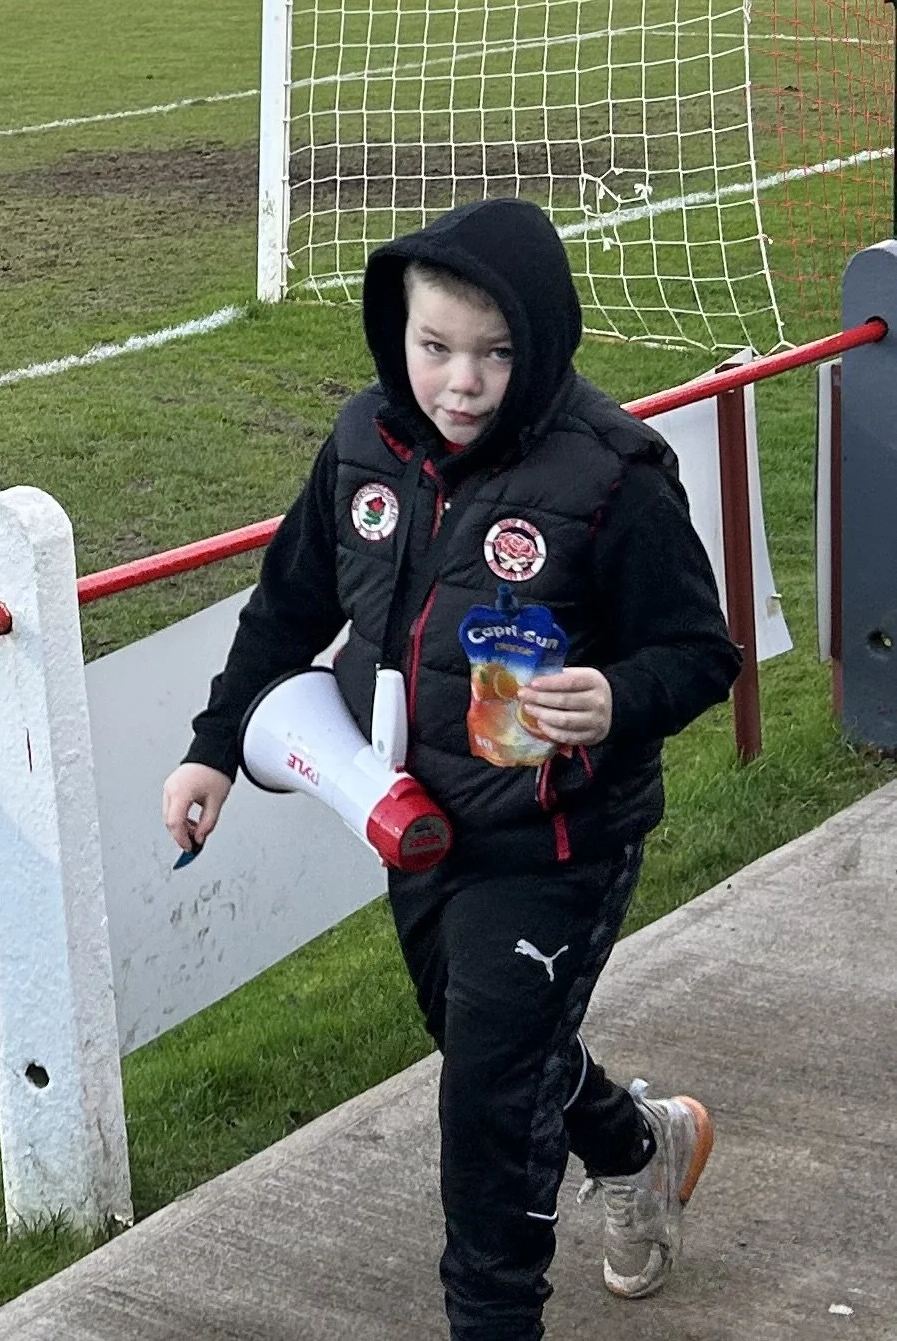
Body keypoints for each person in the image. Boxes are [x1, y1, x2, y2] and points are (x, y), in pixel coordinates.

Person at [162, 199, 736, 1341]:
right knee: (493, 1047)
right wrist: (215, 745)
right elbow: (286, 609)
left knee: (484, 1103)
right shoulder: (363, 444)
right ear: (397, 334)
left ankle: (491, 1315)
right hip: (417, 828)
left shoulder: (611, 473)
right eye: (434, 348)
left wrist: (618, 697)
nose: (460, 381)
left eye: (493, 352)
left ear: (543, 341)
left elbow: (699, 650)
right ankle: (638, 1143)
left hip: (558, 842)